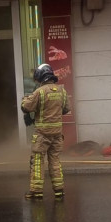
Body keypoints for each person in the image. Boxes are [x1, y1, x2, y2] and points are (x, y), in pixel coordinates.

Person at [21, 63, 71, 200]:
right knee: (55, 160)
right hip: (56, 134)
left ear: (41, 76)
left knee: (37, 161)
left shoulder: (40, 91)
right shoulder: (62, 91)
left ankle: (36, 192)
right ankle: (59, 190)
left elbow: (27, 107)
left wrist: (24, 99)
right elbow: (66, 109)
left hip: (42, 134)